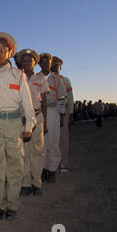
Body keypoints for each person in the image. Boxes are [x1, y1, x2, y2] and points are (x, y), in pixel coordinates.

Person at [0, 32, 35, 221]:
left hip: (15, 124)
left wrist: (29, 124)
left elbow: (27, 103)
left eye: (2, 50)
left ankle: (12, 204)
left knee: (15, 165)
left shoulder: (18, 75)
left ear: (10, 52)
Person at [16, 49, 49, 196]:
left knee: (37, 151)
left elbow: (45, 102)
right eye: (24, 60)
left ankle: (37, 183)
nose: (27, 63)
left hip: (38, 116)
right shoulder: (17, 77)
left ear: (35, 63)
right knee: (24, 151)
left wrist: (45, 122)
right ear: (21, 63)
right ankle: (26, 183)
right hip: (22, 118)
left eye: (30, 60)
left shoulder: (41, 78)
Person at [38, 53, 67, 183]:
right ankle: (42, 169)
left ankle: (52, 169)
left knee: (53, 141)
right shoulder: (36, 77)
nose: (45, 64)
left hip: (53, 112)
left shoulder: (56, 79)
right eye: (42, 62)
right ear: (39, 64)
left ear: (51, 63)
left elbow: (62, 98)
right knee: (41, 143)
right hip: (39, 113)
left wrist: (61, 116)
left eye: (47, 62)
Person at [55, 56, 74, 173]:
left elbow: (70, 98)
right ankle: (53, 164)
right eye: (54, 64)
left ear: (60, 67)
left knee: (63, 138)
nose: (55, 67)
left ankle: (63, 163)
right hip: (52, 111)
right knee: (52, 139)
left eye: (58, 65)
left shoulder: (65, 80)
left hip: (64, 112)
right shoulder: (47, 79)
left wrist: (71, 113)